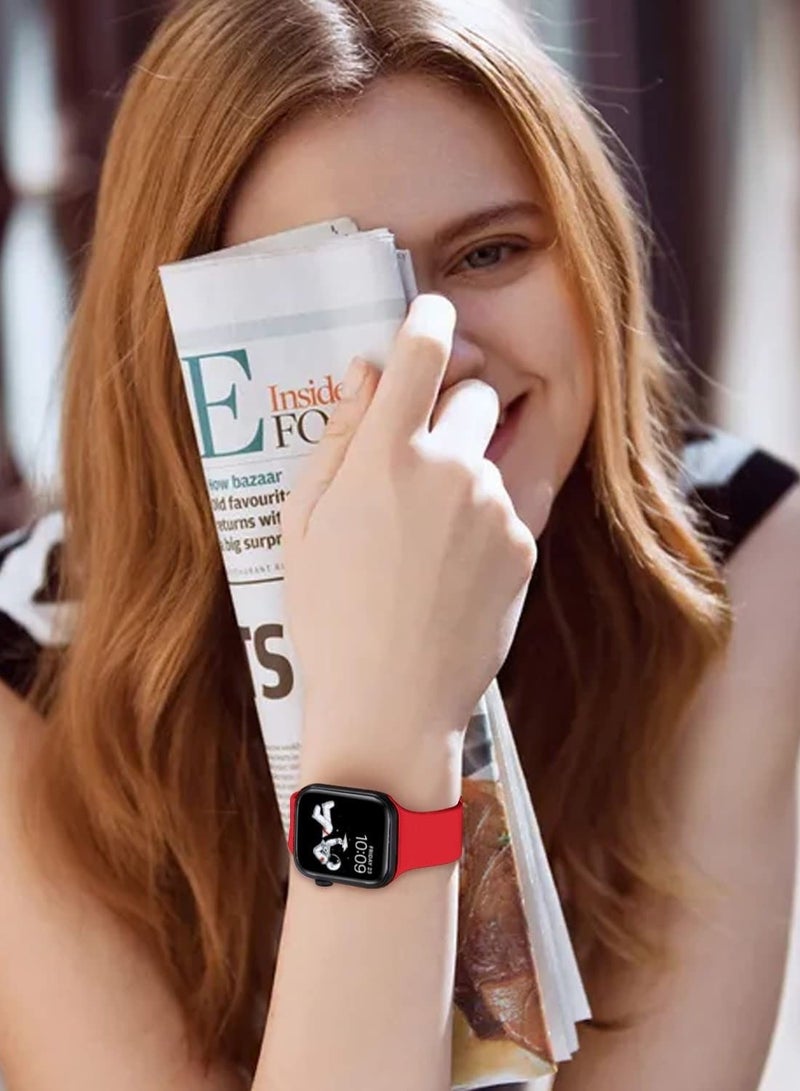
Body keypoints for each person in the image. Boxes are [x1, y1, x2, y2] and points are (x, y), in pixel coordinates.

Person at [0, 0, 798, 1088]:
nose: (437, 352)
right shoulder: (21, 672)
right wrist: (389, 718)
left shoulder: (736, 546)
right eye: (321, 291)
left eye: (490, 252)